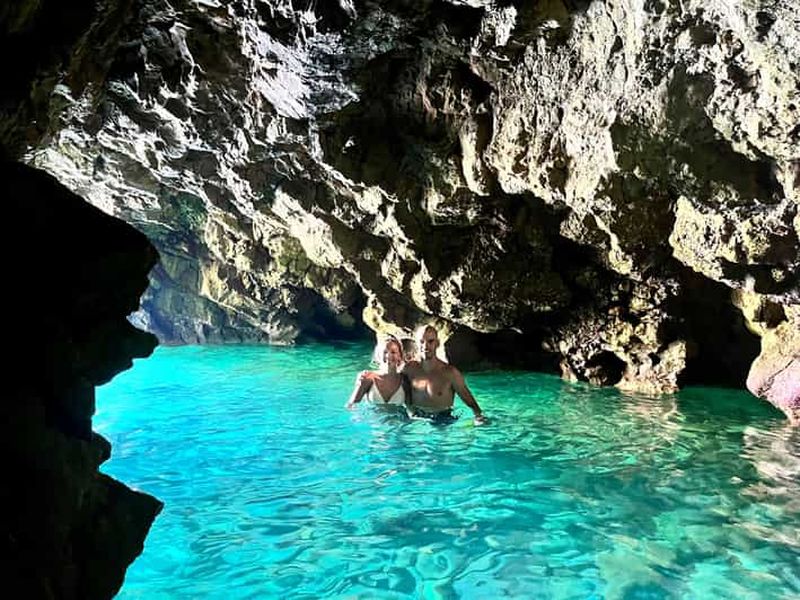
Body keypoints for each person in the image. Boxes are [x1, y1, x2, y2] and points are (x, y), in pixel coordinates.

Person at [402, 324, 487, 425]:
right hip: (417, 420)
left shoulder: (450, 373)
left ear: (437, 343)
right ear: (416, 343)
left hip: (442, 420)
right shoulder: (409, 369)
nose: (425, 346)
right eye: (421, 342)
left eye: (430, 341)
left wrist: (479, 416)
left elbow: (468, 399)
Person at [345, 337, 412, 414]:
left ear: (399, 356)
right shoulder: (367, 378)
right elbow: (351, 405)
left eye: (393, 352)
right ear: (379, 355)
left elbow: (410, 408)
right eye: (385, 352)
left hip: (398, 424)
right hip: (373, 424)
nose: (388, 356)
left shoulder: (404, 380)